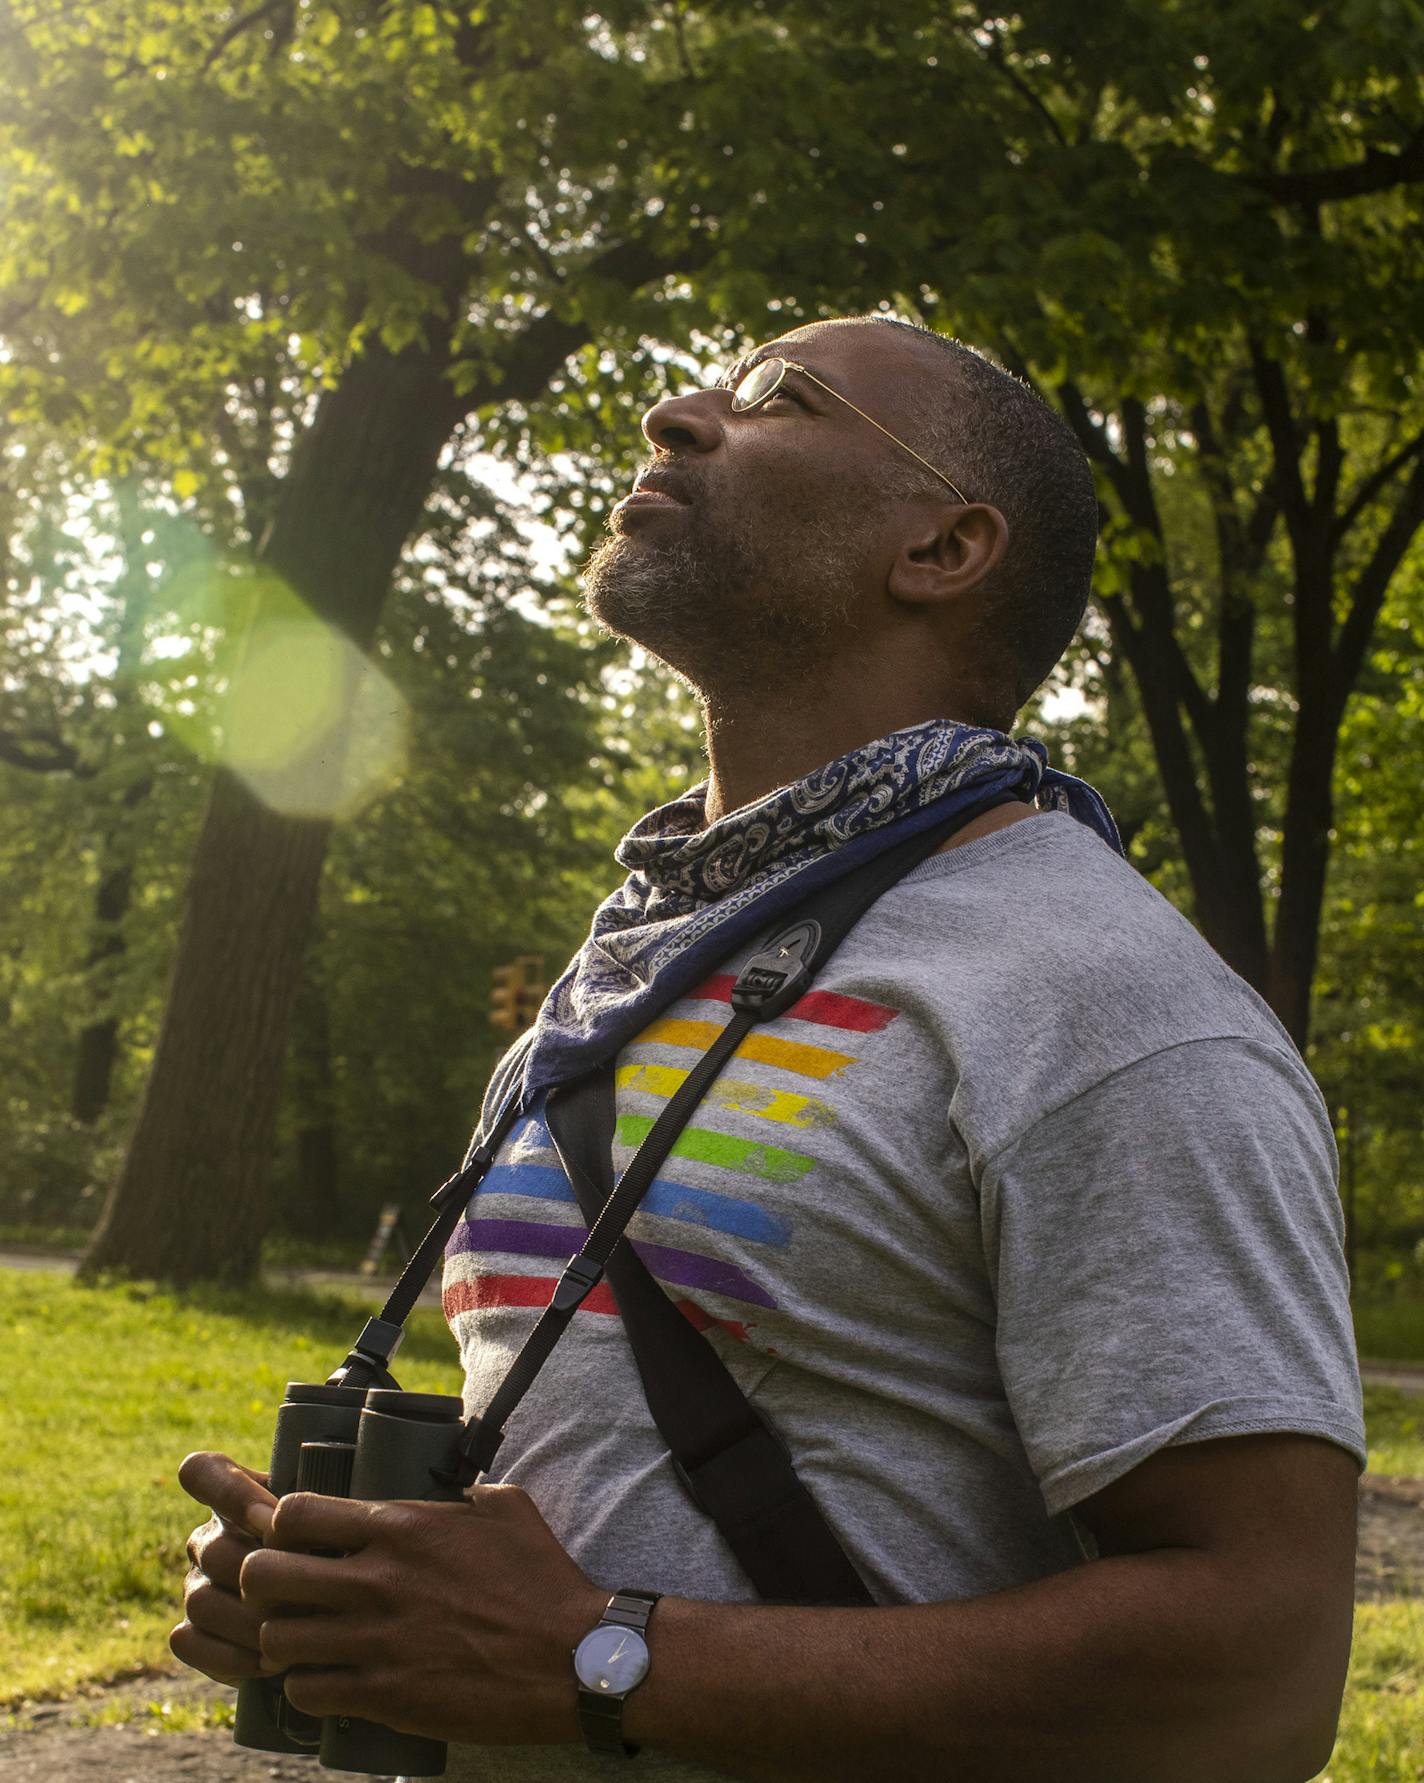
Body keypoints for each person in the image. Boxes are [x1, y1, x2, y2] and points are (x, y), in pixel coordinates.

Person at [173, 315, 1365, 1783]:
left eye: (776, 402)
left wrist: (600, 1652)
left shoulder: (1107, 1002)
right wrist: (359, 1607)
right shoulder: (637, 966)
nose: (672, 414)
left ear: (944, 548)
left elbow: (1260, 1679)